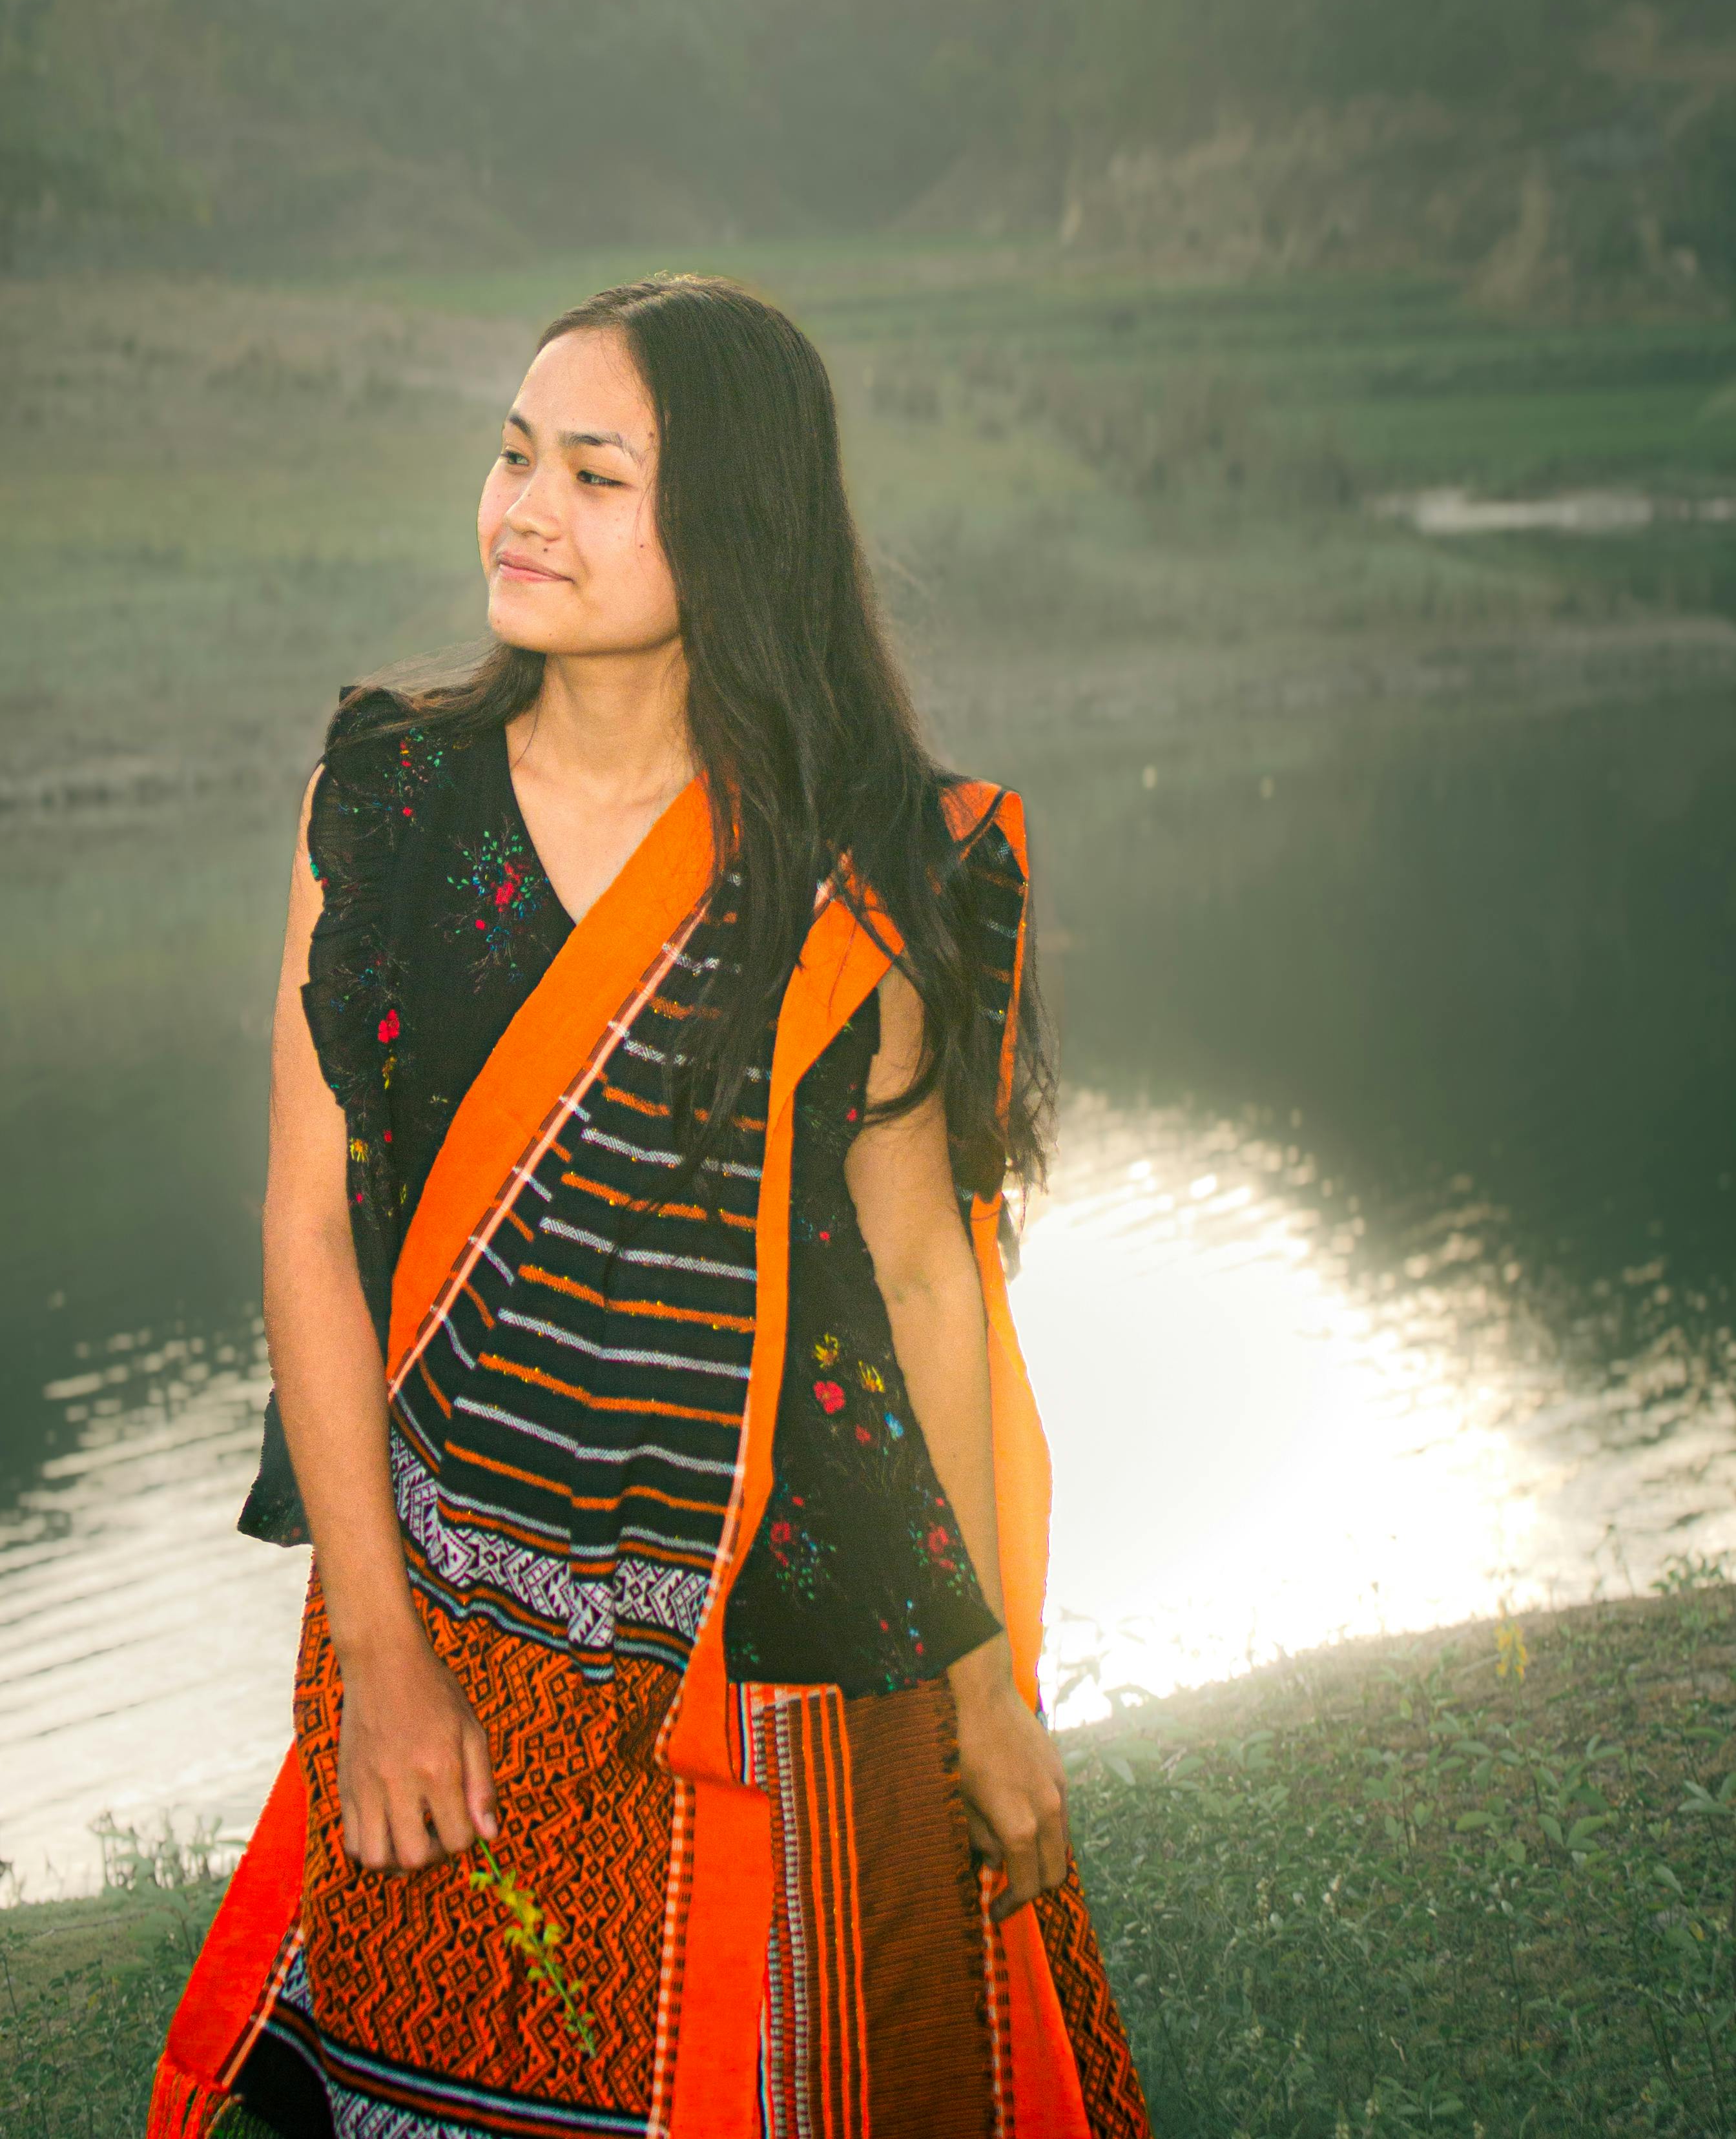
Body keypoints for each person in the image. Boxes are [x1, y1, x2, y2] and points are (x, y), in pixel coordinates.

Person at [150, 277, 1150, 2139]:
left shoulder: (858, 862)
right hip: (457, 1621)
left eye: (595, 476)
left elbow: (923, 1283)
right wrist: (378, 1658)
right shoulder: (385, 808)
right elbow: (309, 1234)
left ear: (735, 526)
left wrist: (991, 1682)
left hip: (807, 1639)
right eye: (513, 455)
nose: (524, 510)